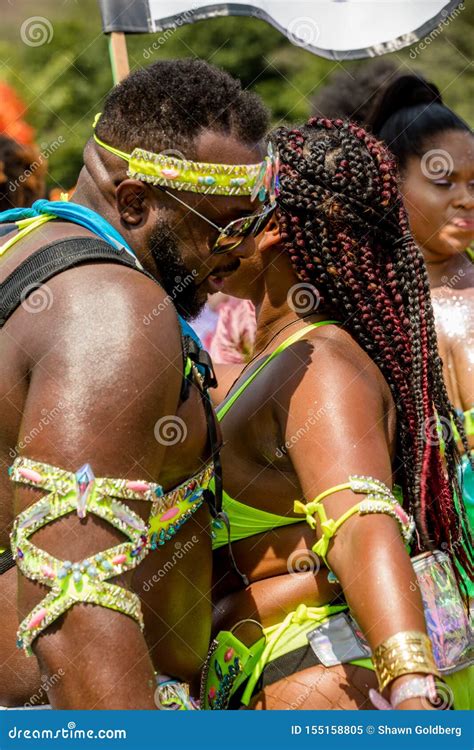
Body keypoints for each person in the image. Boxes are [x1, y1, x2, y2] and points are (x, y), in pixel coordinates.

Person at [0, 59, 273, 709]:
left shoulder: (21, 242)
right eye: (227, 225)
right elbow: (76, 596)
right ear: (134, 201)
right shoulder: (115, 310)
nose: (241, 251)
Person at [203, 116, 473, 710]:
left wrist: (410, 692)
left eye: (225, 208)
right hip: (278, 679)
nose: (208, 228)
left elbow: (361, 524)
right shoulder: (279, 356)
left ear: (271, 227)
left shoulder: (320, 364)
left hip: (316, 683)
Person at [367, 75, 474, 600]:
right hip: (432, 568)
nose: (466, 199)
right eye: (444, 181)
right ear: (393, 185)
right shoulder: (370, 317)